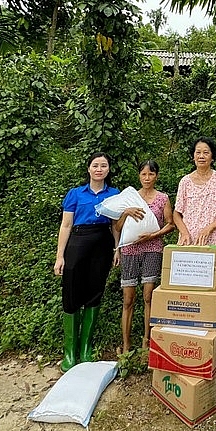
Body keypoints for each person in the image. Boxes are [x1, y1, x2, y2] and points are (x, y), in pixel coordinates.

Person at [54, 152, 119, 372]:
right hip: (78, 242)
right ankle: (69, 351)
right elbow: (66, 226)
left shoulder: (114, 194)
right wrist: (59, 256)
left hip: (102, 243)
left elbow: (115, 226)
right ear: (89, 169)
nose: (99, 169)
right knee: (72, 292)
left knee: (95, 291)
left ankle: (85, 348)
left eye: (103, 165)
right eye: (95, 165)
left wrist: (116, 248)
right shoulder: (75, 194)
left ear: (108, 169)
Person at [113, 160, 175, 353]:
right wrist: (126, 213)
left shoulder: (163, 198)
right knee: (128, 299)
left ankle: (147, 341)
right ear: (139, 176)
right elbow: (117, 227)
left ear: (156, 176)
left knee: (149, 296)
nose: (147, 178)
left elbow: (170, 224)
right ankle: (126, 344)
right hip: (130, 250)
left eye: (151, 174)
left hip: (153, 249)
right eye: (144, 174)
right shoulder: (130, 197)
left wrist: (152, 235)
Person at [173, 137, 216, 275]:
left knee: (215, 285)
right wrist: (184, 232)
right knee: (189, 285)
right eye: (198, 152)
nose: (201, 156)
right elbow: (176, 213)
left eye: (206, 152)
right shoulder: (185, 182)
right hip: (189, 242)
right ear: (193, 156)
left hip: (215, 240)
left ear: (212, 157)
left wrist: (209, 229)